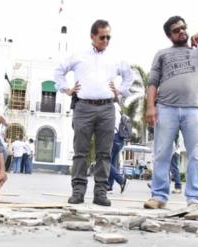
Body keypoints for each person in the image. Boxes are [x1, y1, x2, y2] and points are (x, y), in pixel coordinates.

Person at [54, 19, 133, 206]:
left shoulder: (116, 57)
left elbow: (129, 76)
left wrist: (120, 91)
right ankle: (78, 192)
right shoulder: (78, 56)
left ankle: (100, 194)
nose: (106, 40)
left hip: (107, 108)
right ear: (92, 36)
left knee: (104, 153)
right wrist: (66, 89)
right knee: (80, 152)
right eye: (102, 37)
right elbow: (59, 71)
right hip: (83, 107)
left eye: (108, 37)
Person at [144, 16, 198, 209]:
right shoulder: (162, 54)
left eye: (183, 28)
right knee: (162, 153)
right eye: (176, 30)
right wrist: (150, 106)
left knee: (195, 154)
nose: (181, 31)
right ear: (169, 35)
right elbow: (153, 81)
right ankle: (158, 197)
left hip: (193, 109)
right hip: (166, 108)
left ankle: (195, 198)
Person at [107, 102, 127, 193]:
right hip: (120, 139)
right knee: (112, 162)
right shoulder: (119, 111)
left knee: (105, 160)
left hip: (113, 137)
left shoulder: (112, 108)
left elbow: (109, 124)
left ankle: (121, 179)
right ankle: (109, 186)